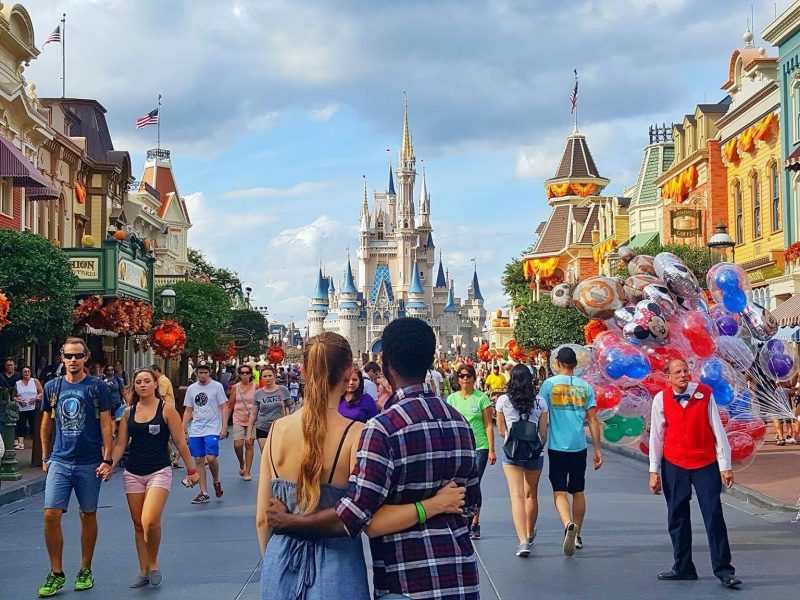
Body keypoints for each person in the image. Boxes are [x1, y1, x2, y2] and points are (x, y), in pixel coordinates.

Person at [267, 318, 480, 600]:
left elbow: (359, 517)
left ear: (385, 361)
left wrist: (290, 522)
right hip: (460, 577)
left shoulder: (383, 428)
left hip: (406, 581)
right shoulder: (461, 423)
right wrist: (438, 504)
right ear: (431, 360)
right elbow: (470, 503)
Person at [648, 359, 741, 589]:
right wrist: (653, 470)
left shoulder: (705, 394)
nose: (683, 374)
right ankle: (683, 567)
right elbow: (656, 438)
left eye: (685, 371)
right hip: (674, 464)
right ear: (668, 376)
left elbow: (718, 430)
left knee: (713, 516)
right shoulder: (660, 399)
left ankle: (724, 570)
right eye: (677, 372)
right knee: (677, 516)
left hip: (704, 463)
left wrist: (725, 465)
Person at [38, 338, 114, 597]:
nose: (73, 360)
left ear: (86, 358)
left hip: (89, 461)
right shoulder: (52, 387)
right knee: (51, 513)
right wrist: (46, 456)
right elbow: (46, 423)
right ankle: (56, 572)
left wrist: (107, 458)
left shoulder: (96, 387)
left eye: (78, 356)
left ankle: (85, 569)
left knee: (88, 514)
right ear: (62, 357)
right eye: (69, 356)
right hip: (60, 459)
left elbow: (106, 423)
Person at [111, 368, 200, 588]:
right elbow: (121, 444)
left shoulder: (167, 409)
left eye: (146, 381)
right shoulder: (127, 413)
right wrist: (108, 464)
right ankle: (143, 570)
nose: (142, 385)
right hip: (133, 472)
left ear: (155, 385)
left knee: (149, 520)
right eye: (138, 382)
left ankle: (153, 564)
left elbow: (180, 441)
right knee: (138, 524)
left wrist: (192, 470)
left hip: (159, 470)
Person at [537, 346, 602, 556]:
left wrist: (540, 439)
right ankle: (579, 534)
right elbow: (592, 419)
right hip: (579, 446)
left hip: (557, 446)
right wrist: (598, 449)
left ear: (558, 364)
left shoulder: (549, 385)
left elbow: (542, 414)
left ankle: (567, 526)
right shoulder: (586, 387)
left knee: (559, 491)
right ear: (575, 365)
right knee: (578, 490)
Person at [495, 364, 549, 557]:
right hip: (535, 452)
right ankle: (530, 532)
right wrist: (536, 446)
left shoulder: (503, 400)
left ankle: (522, 541)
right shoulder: (540, 401)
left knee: (516, 495)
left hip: (512, 452)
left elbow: (501, 431)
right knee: (531, 495)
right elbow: (543, 432)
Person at [446, 363, 495, 540]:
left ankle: (474, 522)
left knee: (475, 483)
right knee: (461, 484)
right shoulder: (452, 399)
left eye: (468, 376)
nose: (465, 379)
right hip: (460, 447)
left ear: (474, 378)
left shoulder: (481, 398)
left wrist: (491, 449)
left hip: (479, 446)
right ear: (457, 379)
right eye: (461, 376)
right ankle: (462, 518)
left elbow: (489, 424)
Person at [182, 361, 229, 504]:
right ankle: (203, 492)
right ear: (196, 373)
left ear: (209, 373)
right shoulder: (191, 389)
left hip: (213, 426)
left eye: (205, 373)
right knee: (198, 460)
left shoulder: (217, 387)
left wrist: (224, 427)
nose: (203, 375)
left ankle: (216, 480)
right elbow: (189, 410)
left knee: (211, 458)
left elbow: (224, 407)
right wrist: (183, 426)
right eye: (200, 372)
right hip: (197, 427)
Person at [247, 365, 291, 450]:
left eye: (270, 375)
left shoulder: (283, 389)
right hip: (262, 427)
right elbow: (253, 414)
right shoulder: (258, 393)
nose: (267, 378)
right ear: (262, 378)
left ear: (274, 376)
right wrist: (249, 432)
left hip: (279, 427)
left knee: (277, 453)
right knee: (265, 452)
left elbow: (291, 405)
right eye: (265, 376)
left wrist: (289, 418)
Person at [227, 364, 256, 481]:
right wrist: (224, 425)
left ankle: (247, 471)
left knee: (249, 444)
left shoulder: (256, 387)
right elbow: (230, 405)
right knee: (238, 445)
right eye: (242, 373)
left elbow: (259, 403)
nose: (245, 375)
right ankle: (241, 462)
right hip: (238, 418)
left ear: (250, 374)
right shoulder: (235, 388)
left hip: (252, 420)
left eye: (247, 373)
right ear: (239, 375)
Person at [15, 365, 43, 450]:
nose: (27, 373)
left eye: (28, 371)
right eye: (25, 372)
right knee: (21, 425)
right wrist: (18, 400)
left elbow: (41, 392)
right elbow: (13, 396)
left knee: (34, 425)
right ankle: (21, 443)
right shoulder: (17, 383)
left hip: (33, 407)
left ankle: (36, 444)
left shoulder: (35, 381)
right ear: (22, 373)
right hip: (21, 407)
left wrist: (36, 398)